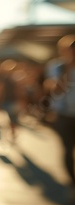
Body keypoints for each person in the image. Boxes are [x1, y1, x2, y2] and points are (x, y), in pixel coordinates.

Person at [45, 35, 75, 191]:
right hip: (64, 115)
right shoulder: (57, 67)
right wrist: (66, 70)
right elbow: (55, 90)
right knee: (67, 149)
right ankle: (72, 182)